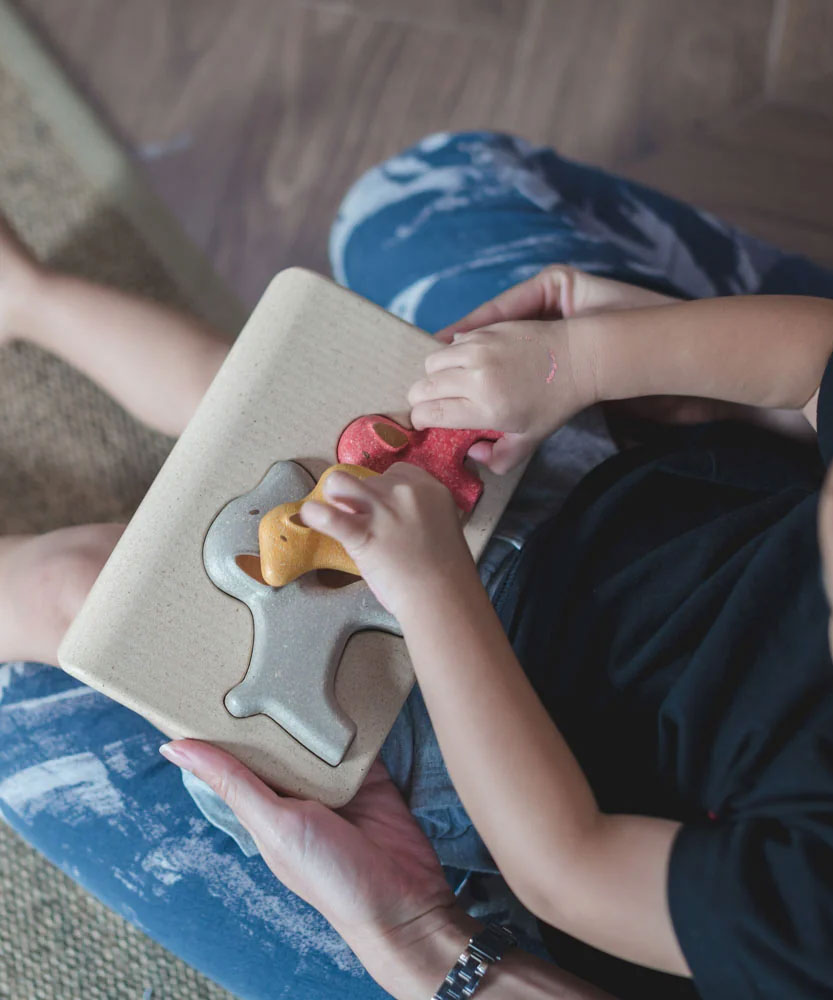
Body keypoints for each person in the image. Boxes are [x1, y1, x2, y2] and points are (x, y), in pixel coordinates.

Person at [2, 130, 833, 999]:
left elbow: (569, 866)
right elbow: (817, 366)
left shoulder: (808, 910)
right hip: (628, 490)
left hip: (507, 730)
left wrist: (433, 586)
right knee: (250, 404)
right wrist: (583, 357)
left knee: (76, 595)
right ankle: (29, 299)